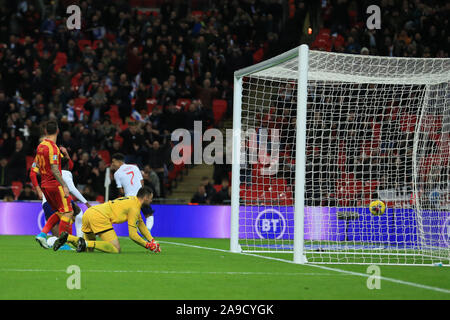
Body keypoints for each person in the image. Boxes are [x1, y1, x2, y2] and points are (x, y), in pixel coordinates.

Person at [53, 187, 160, 254]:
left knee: (88, 250)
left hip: (90, 212)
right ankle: (85, 243)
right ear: (146, 197)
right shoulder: (134, 208)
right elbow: (133, 235)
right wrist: (147, 245)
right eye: (151, 198)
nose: (151, 201)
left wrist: (152, 240)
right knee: (115, 249)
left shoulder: (132, 200)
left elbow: (140, 223)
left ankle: (68, 237)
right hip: (100, 217)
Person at [33, 145, 91, 249]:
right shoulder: (65, 172)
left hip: (47, 194)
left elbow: (34, 174)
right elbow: (72, 189)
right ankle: (70, 241)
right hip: (59, 195)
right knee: (72, 212)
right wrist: (86, 203)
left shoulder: (50, 162)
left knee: (62, 213)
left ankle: (43, 234)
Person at [32, 120, 74, 239]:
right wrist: (64, 185)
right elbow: (55, 170)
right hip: (55, 184)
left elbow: (37, 168)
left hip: (45, 185)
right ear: (58, 131)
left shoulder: (40, 146)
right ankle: (62, 243)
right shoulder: (53, 148)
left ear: (45, 131)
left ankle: (42, 234)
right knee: (69, 212)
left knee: (59, 212)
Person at [111, 153, 155, 231]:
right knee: (149, 215)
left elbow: (121, 191)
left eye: (113, 162)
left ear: (119, 162)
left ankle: (142, 233)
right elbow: (142, 182)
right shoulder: (135, 167)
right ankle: (148, 230)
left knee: (134, 218)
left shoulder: (116, 174)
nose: (112, 164)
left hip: (129, 199)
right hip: (141, 197)